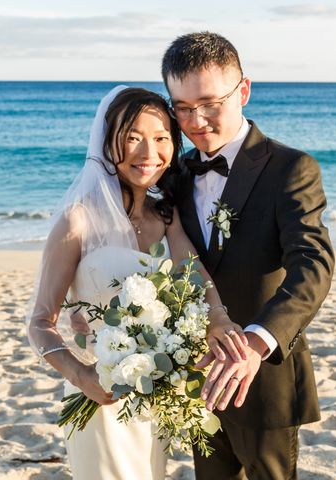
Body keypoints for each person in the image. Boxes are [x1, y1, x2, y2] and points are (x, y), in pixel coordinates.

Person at [26, 86, 247, 480]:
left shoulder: (166, 215)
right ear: (107, 143)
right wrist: (81, 375)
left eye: (161, 138)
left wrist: (216, 317)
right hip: (100, 396)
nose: (149, 154)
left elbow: (194, 272)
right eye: (133, 138)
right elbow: (39, 323)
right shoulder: (78, 221)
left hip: (155, 398)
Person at [161, 32, 335, 479]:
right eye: (181, 107)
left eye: (209, 103)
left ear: (243, 91)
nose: (196, 121)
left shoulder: (291, 168)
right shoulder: (175, 173)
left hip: (265, 378)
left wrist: (257, 343)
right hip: (197, 375)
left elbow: (312, 265)